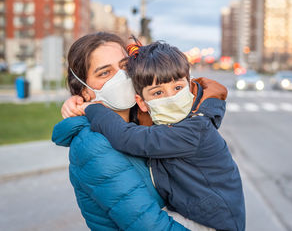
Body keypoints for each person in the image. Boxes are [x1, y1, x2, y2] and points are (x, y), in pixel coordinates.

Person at [52, 32, 211, 230]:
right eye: (104, 73)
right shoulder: (93, 146)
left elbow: (202, 100)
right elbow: (151, 226)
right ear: (85, 90)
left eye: (125, 66)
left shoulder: (143, 117)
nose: (121, 77)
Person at [82, 40, 246, 231]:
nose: (170, 97)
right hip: (195, 213)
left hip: (214, 224)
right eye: (158, 92)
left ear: (189, 87)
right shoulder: (164, 123)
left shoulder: (194, 130)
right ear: (142, 103)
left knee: (138, 220)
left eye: (177, 88)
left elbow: (127, 137)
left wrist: (93, 110)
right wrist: (79, 99)